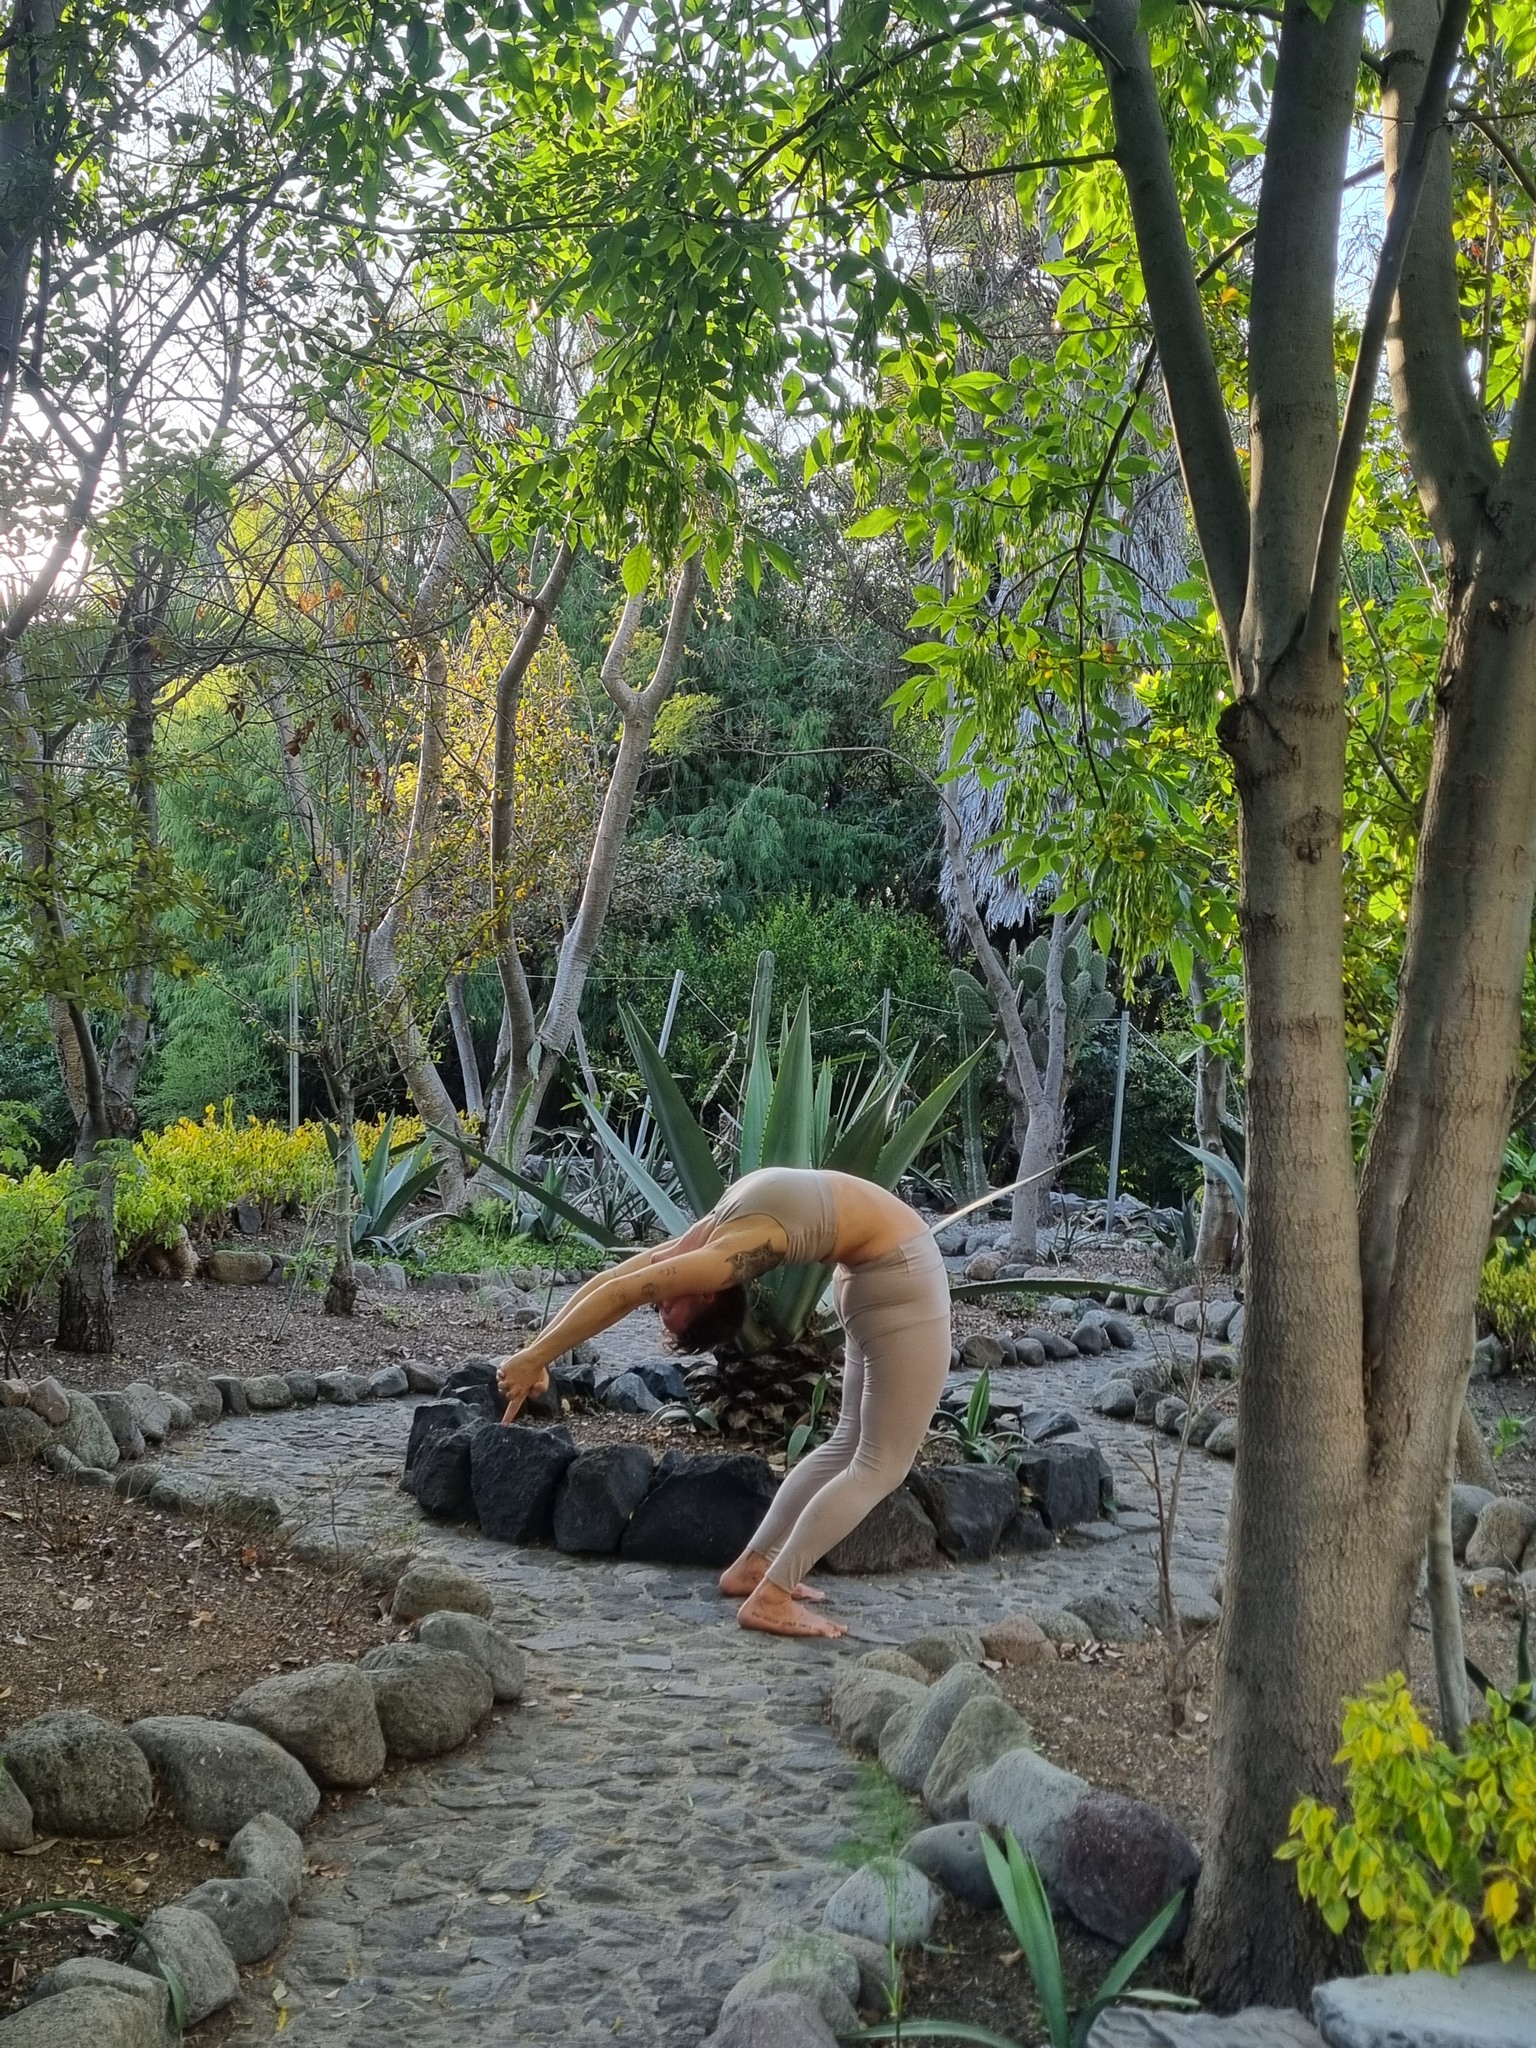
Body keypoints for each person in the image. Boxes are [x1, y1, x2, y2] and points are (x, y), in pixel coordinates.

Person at [495, 1165, 952, 1639]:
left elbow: (618, 1286)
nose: (660, 1303)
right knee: (881, 1465)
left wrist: (535, 1356)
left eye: (667, 1307)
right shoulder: (715, 1256)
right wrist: (535, 1355)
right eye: (667, 1309)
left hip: (878, 1276)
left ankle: (754, 1569)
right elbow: (616, 1286)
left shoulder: (711, 1253)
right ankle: (772, 1596)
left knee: (847, 1446)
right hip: (898, 1277)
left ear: (706, 1294)